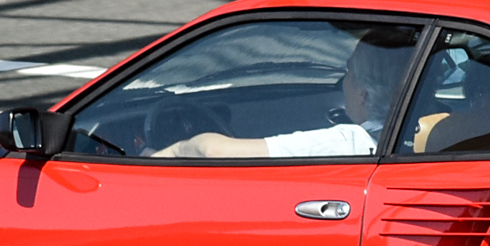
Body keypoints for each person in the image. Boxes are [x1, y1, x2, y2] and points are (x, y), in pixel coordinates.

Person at [153, 29, 411, 158]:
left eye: (349, 71)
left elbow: (211, 151)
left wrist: (167, 153)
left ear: (363, 93)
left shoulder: (351, 142)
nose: (344, 81)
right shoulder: (434, 126)